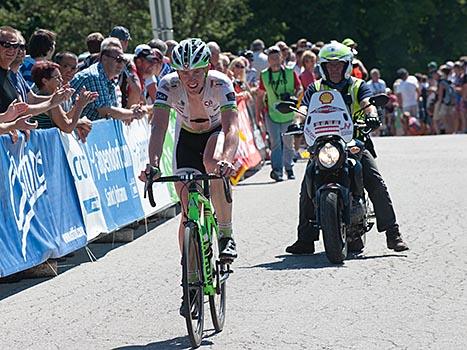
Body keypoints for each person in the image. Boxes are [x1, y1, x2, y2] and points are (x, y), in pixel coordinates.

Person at [285, 41, 409, 254]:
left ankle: (392, 232)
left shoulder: (358, 85)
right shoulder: (315, 88)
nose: (334, 69)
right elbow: (303, 107)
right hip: (323, 143)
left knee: (375, 180)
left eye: (339, 65)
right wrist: (297, 120)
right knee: (307, 183)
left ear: (347, 66)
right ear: (323, 67)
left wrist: (372, 116)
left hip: (354, 141)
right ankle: (305, 239)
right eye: (330, 65)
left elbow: (368, 103)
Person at [142, 38, 239, 265]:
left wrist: (227, 159)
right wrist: (153, 164)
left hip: (215, 131)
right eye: (184, 73)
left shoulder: (221, 83)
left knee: (212, 163)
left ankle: (226, 235)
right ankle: (190, 268)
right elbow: (159, 127)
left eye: (196, 72)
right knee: (187, 208)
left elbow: (231, 126)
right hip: (186, 137)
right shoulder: (168, 84)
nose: (190, 79)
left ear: (207, 67)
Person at [70, 37, 145, 122]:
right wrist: (132, 113)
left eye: (123, 60)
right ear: (104, 58)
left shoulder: (109, 79)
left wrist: (130, 111)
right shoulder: (94, 76)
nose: (121, 64)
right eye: (118, 60)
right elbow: (105, 111)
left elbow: (113, 111)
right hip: (74, 132)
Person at [256, 45, 303, 181]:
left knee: (288, 142)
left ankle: (289, 167)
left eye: (277, 58)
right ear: (268, 60)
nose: (274, 61)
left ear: (282, 58)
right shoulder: (264, 75)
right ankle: (277, 171)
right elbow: (260, 95)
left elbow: (299, 88)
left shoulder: (290, 72)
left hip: (288, 113)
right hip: (272, 114)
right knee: (275, 143)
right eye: (271, 58)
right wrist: (258, 112)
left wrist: (294, 96)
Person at [29, 61, 97, 131]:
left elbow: (64, 117)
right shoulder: (49, 101)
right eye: (57, 78)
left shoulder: (46, 97)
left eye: (60, 77)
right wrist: (80, 106)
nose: (61, 80)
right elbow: (67, 127)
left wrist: (78, 104)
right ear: (45, 81)